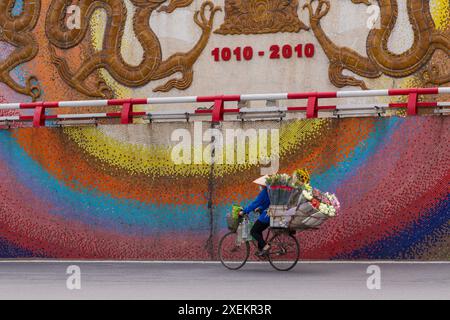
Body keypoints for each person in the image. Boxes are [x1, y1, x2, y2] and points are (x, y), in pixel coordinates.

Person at [240, 175, 271, 256]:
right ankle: (262, 251)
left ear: (263, 185)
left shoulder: (264, 192)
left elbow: (254, 203)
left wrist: (244, 211)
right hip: (269, 215)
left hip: (266, 217)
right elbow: (266, 203)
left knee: (253, 231)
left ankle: (265, 246)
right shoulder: (269, 191)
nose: (259, 186)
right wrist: (260, 208)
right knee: (258, 230)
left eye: (260, 185)